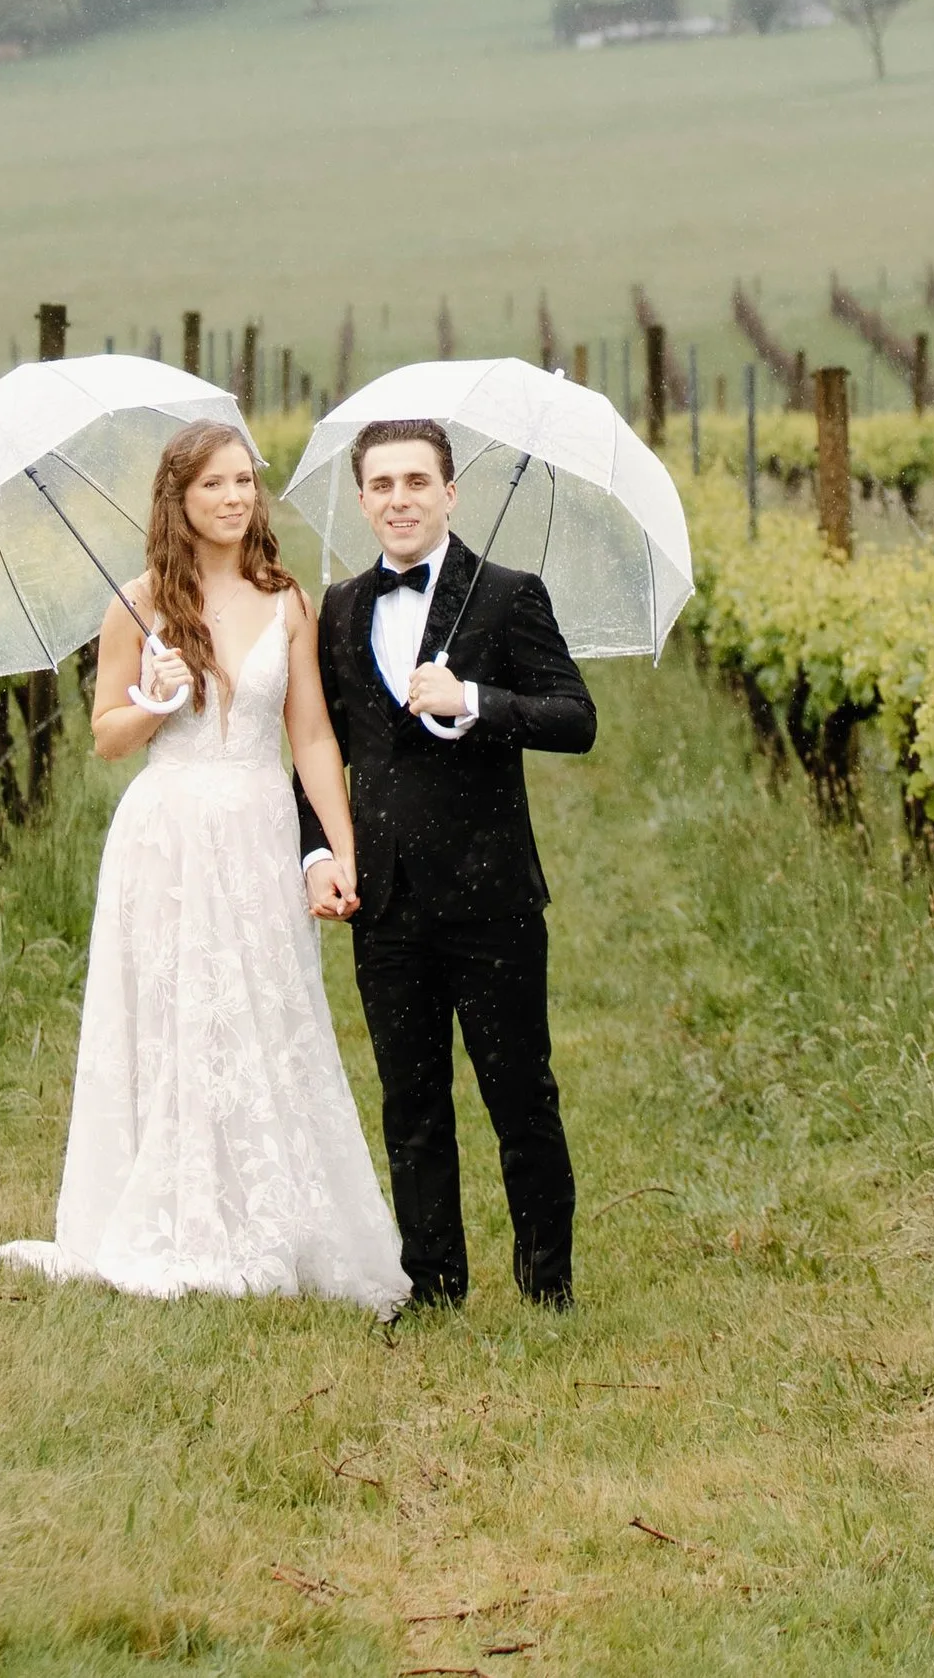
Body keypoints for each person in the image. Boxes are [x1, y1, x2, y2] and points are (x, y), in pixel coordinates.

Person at [0, 422, 409, 1310]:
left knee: (266, 1002)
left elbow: (310, 733)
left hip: (259, 824)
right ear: (178, 500)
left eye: (243, 483)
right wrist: (155, 700)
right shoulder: (136, 603)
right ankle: (179, 1207)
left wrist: (339, 846)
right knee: (177, 1009)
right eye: (214, 485)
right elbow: (107, 737)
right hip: (168, 830)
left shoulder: (287, 598)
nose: (234, 499)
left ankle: (272, 1209)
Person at [296, 421, 596, 1311]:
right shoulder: (342, 606)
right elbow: (322, 748)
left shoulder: (507, 596)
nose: (399, 500)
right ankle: (434, 1286)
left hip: (491, 896)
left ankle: (548, 1289)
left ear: (451, 493)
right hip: (383, 902)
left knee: (519, 1095)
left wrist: (476, 700)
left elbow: (575, 718)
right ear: (361, 500)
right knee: (411, 1101)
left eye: (417, 483)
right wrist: (318, 849)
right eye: (382, 485)